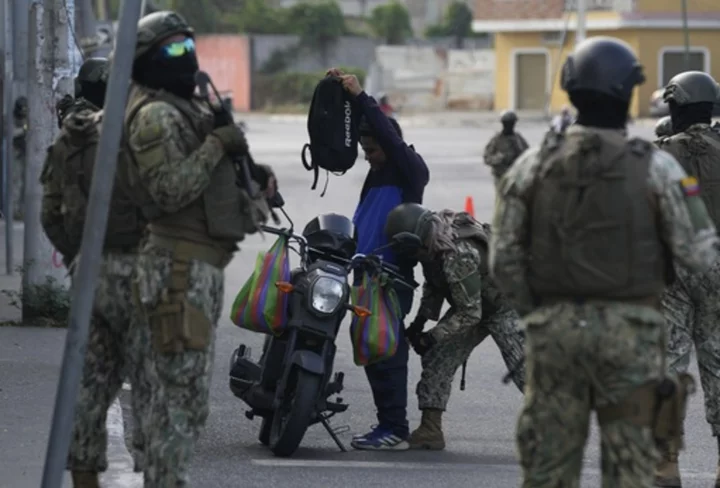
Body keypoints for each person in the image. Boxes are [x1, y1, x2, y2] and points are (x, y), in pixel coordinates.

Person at [490, 36, 719, 487]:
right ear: (629, 91)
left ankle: (666, 460)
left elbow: (503, 260)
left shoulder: (532, 165)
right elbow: (696, 250)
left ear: (570, 90)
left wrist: (538, 312)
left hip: (555, 334)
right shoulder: (656, 169)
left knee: (549, 467)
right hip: (629, 334)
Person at [122, 11, 275, 485]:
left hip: (193, 268)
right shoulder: (154, 116)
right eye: (171, 50)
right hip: (178, 271)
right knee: (179, 405)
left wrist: (248, 173)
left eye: (188, 46)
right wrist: (215, 146)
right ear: (148, 59)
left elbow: (207, 182)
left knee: (176, 400)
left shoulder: (181, 109)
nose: (185, 57)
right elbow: (169, 189)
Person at [39, 57, 147, 488]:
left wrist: (76, 256)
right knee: (152, 389)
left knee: (90, 388)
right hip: (141, 279)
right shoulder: (137, 135)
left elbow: (49, 215)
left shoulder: (70, 139)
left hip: (91, 278)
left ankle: (85, 478)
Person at [326, 67, 430, 451]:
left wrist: (359, 96)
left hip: (390, 279)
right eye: (365, 150)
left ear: (391, 144)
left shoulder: (409, 171)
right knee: (371, 349)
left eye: (373, 150)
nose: (369, 158)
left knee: (386, 351)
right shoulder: (377, 174)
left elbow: (387, 135)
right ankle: (388, 424)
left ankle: (395, 428)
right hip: (364, 275)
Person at [383, 203, 525, 450]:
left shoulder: (456, 253)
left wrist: (433, 336)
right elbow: (434, 287)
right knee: (438, 359)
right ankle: (430, 430)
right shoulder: (432, 245)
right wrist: (418, 325)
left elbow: (470, 313)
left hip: (506, 305)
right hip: (473, 301)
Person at [654, 70, 720, 488]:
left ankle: (667, 465)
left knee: (670, 364)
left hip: (673, 269)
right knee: (717, 362)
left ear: (677, 107)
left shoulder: (660, 155)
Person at [483, 110, 529, 186]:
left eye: (511, 123)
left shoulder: (518, 139)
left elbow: (527, 154)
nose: (509, 126)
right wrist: (498, 158)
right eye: (507, 123)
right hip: (501, 176)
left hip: (516, 176)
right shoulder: (497, 139)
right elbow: (487, 158)